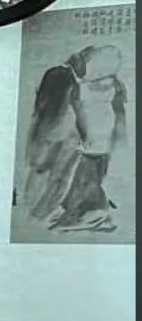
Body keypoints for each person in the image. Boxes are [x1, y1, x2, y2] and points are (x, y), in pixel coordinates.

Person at [21, 43, 128, 235]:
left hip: (91, 138)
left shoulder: (85, 84)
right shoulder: (90, 83)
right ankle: (82, 212)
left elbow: (78, 111)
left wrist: (85, 133)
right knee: (83, 174)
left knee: (84, 174)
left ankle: (86, 213)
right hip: (92, 138)